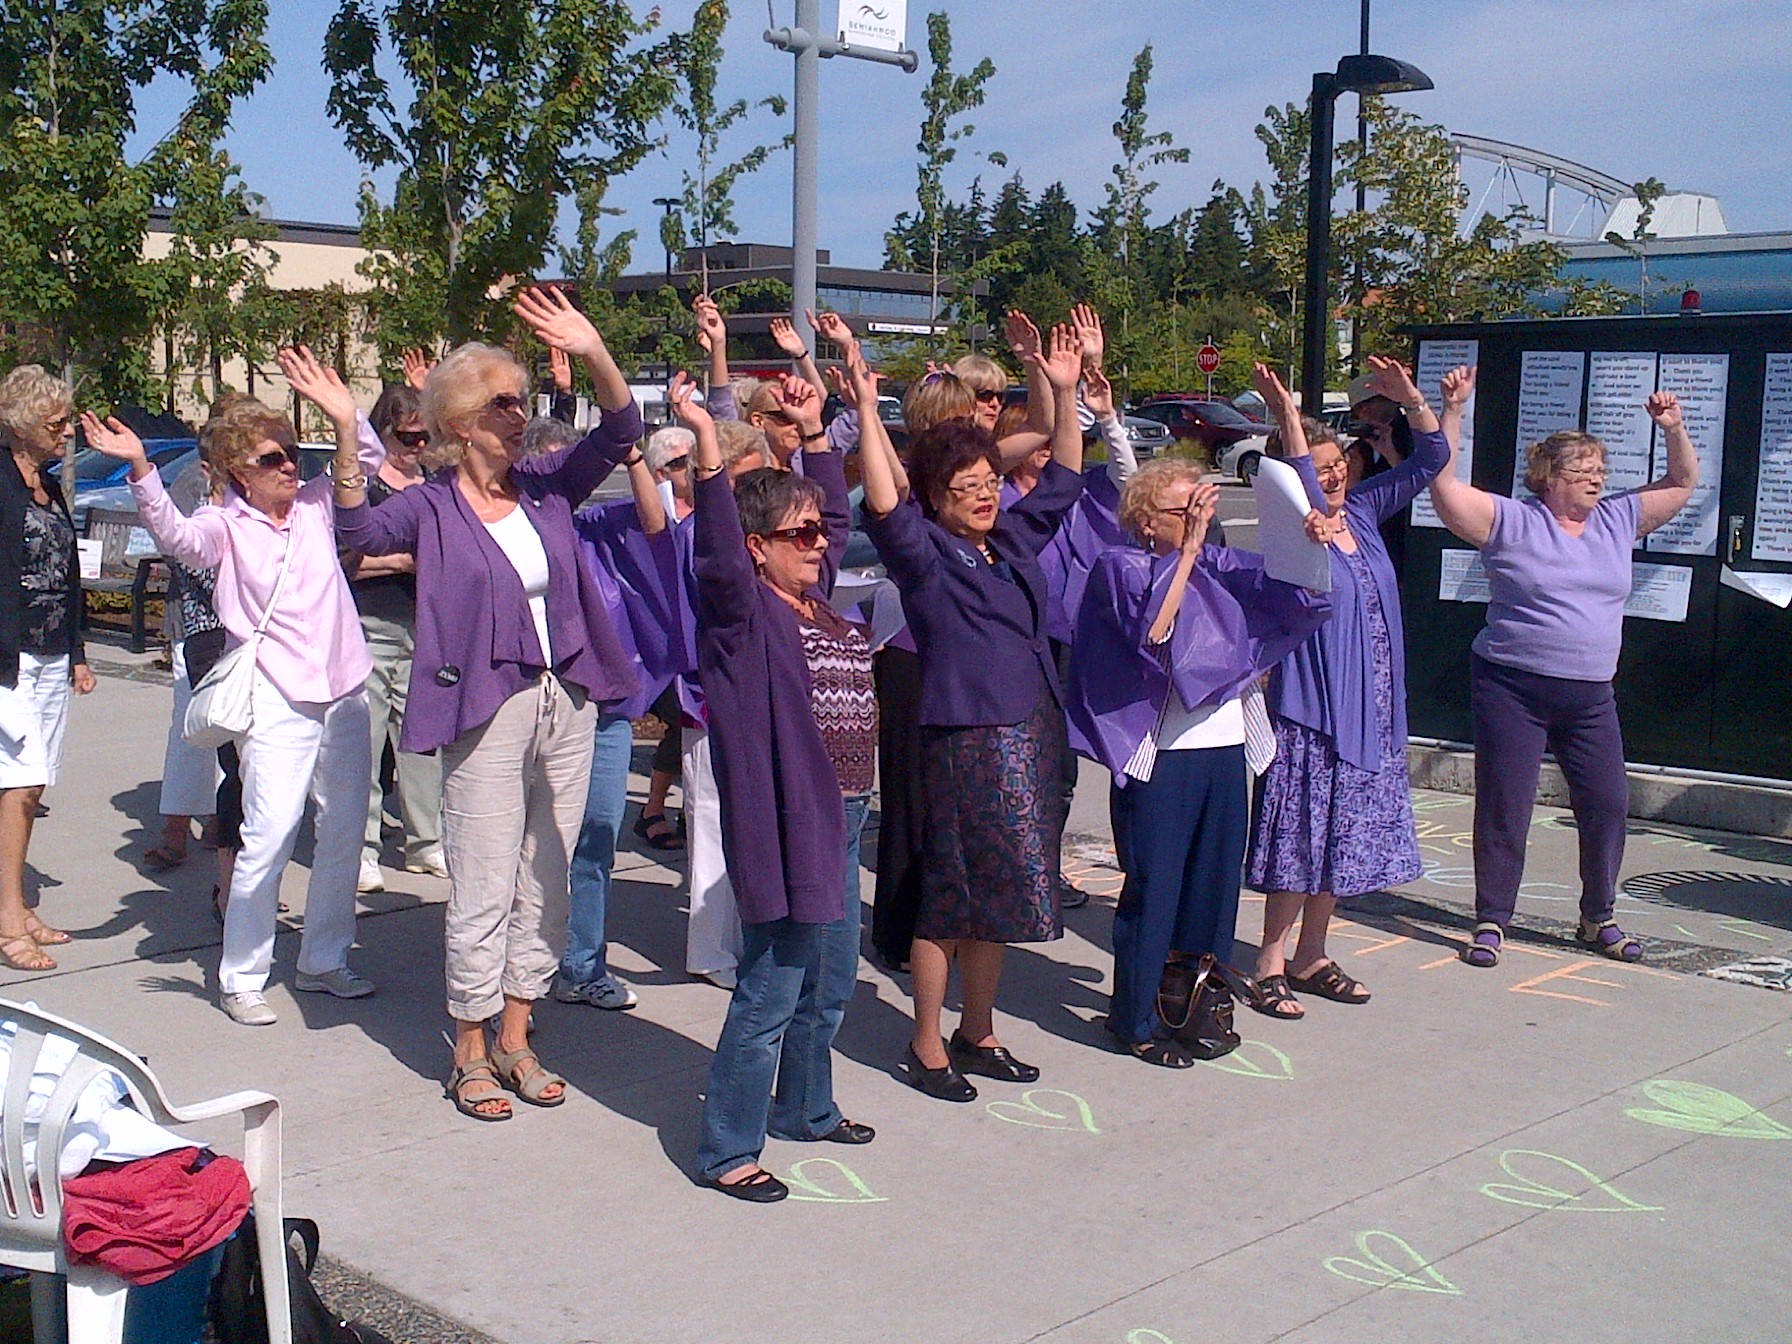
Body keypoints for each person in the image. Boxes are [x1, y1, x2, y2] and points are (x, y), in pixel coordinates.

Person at [332, 287, 644, 1119]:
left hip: (566, 697)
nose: (518, 414)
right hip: (488, 703)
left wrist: (594, 349)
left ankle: (517, 1036)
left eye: (520, 400)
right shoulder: (431, 505)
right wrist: (343, 438)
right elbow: (356, 539)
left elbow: (621, 433)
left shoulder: (545, 488)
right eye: (501, 403)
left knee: (549, 871)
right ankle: (467, 1050)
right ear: (463, 422)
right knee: (482, 876)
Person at [84, 387, 377, 1026]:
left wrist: (344, 416)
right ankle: (242, 973)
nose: (290, 466)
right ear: (241, 471)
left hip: (345, 686)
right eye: (274, 458)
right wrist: (140, 467)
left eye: (293, 454)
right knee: (269, 835)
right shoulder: (226, 525)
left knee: (345, 830)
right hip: (274, 694)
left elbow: (370, 463)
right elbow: (177, 537)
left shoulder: (316, 507)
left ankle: (324, 959)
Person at [860, 323, 1087, 1102]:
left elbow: (1062, 480)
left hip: (1026, 730)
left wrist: (1060, 383)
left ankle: (977, 1028)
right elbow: (886, 506)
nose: (987, 493)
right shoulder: (925, 556)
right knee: (951, 898)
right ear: (936, 496)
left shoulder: (1010, 542)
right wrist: (864, 400)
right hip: (964, 740)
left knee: (1005, 893)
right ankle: (926, 1042)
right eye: (967, 486)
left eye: (991, 479)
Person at [673, 365, 872, 1203]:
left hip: (844, 813)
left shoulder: (815, 601)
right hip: (788, 823)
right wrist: (712, 449)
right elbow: (716, 550)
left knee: (830, 983)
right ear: (758, 548)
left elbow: (835, 507)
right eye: (799, 536)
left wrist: (818, 431)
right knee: (770, 992)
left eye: (820, 535)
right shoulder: (741, 611)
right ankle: (728, 1149)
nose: (819, 542)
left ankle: (808, 1107)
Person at [1426, 367, 1696, 967]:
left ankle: (1597, 915)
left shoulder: (1618, 519)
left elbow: (1682, 482)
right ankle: (1492, 919)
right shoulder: (1512, 521)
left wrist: (1673, 427)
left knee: (1608, 801)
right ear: (1549, 480)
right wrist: (1453, 410)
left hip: (1591, 695)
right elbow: (1442, 486)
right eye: (1582, 472)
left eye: (1600, 471)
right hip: (1511, 686)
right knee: (1506, 803)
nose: (1597, 479)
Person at [1068, 459, 1329, 1064]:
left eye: (1201, 509)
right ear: (1145, 519)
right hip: (1160, 756)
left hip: (1223, 747)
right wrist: (1186, 553)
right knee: (1156, 888)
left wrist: (1308, 542)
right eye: (1183, 511)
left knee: (1212, 890)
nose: (1197, 522)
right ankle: (1133, 1019)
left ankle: (1187, 1003)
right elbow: (1152, 633)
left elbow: (1292, 591)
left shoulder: (1212, 562)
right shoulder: (1121, 565)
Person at [1243, 358, 1449, 1019]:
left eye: (1338, 463)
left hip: (1374, 707)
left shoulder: (1360, 511)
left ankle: (1312, 955)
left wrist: (1412, 399)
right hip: (1313, 712)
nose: (1332, 475)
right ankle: (1269, 962)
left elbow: (1431, 460)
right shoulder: (1293, 533)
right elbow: (1302, 485)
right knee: (1299, 843)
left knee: (1340, 840)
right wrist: (1285, 418)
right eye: (1320, 466)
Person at [558, 415, 678, 1012]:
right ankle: (517, 970)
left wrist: (634, 461)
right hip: (534, 706)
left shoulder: (596, 522)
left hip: (603, 710)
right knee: (532, 845)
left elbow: (655, 525)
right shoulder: (512, 525)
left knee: (597, 838)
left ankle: (581, 966)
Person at [0, 365, 94, 971]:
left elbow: (69, 574)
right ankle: (9, 920)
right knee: (20, 783)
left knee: (33, 788)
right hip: (8, 658)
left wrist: (79, 654)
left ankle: (14, 905)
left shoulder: (49, 485)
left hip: (52, 653)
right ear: (24, 424)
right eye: (57, 424)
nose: (66, 433)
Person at [344, 383, 445, 894]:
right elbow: (344, 563)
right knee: (364, 744)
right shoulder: (365, 488)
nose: (418, 447)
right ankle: (362, 849)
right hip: (373, 626)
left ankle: (426, 843)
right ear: (384, 432)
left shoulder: (431, 487)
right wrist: (405, 560)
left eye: (425, 436)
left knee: (423, 743)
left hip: (425, 629)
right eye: (408, 437)